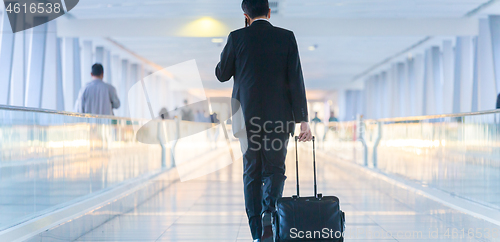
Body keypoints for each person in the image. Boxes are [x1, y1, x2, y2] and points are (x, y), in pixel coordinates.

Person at [215, 0, 312, 241]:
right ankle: (271, 213)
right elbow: (296, 80)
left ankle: (257, 230)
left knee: (252, 172)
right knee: (275, 169)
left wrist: (237, 42)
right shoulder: (286, 37)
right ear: (269, 12)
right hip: (279, 120)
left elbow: (221, 74)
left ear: (245, 15)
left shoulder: (237, 37)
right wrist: (303, 120)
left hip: (246, 119)